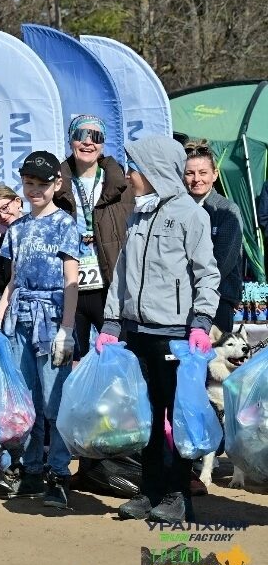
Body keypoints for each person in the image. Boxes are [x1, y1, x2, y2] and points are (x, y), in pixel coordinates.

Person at [97, 136, 220, 525]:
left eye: (134, 169)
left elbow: (207, 274)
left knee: (176, 417)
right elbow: (122, 274)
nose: (129, 176)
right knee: (146, 416)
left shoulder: (190, 215)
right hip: (137, 332)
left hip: (175, 334)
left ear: (154, 171)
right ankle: (149, 491)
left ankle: (177, 494)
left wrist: (201, 321)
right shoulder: (139, 213)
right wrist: (112, 322)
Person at [0, 150, 79, 509]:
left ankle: (58, 473)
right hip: (19, 321)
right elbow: (13, 280)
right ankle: (31, 468)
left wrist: (67, 329)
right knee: (26, 402)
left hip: (52, 321)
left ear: (56, 184)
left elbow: (71, 281)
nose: (35, 190)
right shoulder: (17, 228)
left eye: (42, 183)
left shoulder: (65, 224)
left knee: (54, 401)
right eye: (29, 183)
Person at [55, 114, 134, 360]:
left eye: (96, 136)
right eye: (81, 135)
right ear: (70, 140)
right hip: (69, 287)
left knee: (116, 358)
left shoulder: (122, 185)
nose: (88, 142)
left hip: (109, 286)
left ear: (103, 143)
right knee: (71, 362)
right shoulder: (55, 184)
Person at [184, 140, 244, 332]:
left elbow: (222, 262)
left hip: (218, 298)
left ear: (215, 174)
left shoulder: (227, 211)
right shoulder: (177, 209)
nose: (196, 179)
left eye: (203, 173)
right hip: (180, 300)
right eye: (190, 173)